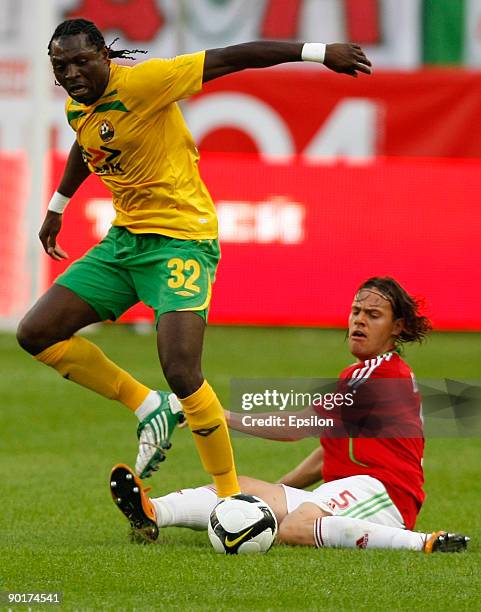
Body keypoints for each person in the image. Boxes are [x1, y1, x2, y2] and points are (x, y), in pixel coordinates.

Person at [15, 18, 372, 497]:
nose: (74, 73)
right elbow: (87, 143)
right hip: (125, 243)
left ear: (105, 55)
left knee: (182, 371)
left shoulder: (145, 82)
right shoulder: (76, 107)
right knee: (36, 333)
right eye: (63, 66)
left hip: (181, 239)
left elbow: (230, 57)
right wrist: (57, 208)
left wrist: (317, 51)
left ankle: (230, 497)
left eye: (83, 61)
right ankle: (147, 407)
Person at [109, 277, 469, 553]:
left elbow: (300, 425)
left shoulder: (382, 375)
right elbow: (328, 451)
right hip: (349, 487)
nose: (359, 321)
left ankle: (419, 542)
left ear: (398, 328)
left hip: (385, 492)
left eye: (373, 315)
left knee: (297, 527)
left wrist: (220, 415)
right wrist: (276, 492)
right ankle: (152, 512)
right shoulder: (362, 373)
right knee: (245, 490)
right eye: (356, 312)